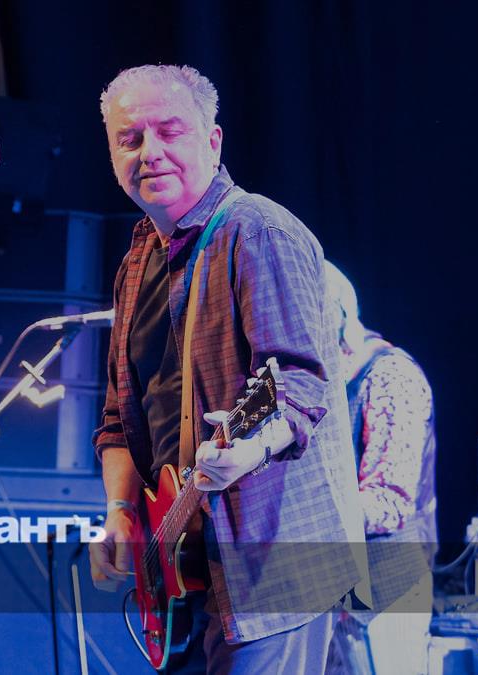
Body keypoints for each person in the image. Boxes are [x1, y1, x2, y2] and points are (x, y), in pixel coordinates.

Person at [87, 64, 367, 673]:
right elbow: (118, 418)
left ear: (213, 142)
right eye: (129, 139)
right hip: (186, 560)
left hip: (272, 567)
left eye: (170, 132)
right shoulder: (138, 258)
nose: (149, 152)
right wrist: (120, 512)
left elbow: (300, 385)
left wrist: (250, 448)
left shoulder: (259, 231)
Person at [324, 261, 436, 675]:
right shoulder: (312, 381)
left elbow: (390, 500)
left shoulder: (389, 374)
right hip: (328, 592)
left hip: (384, 593)